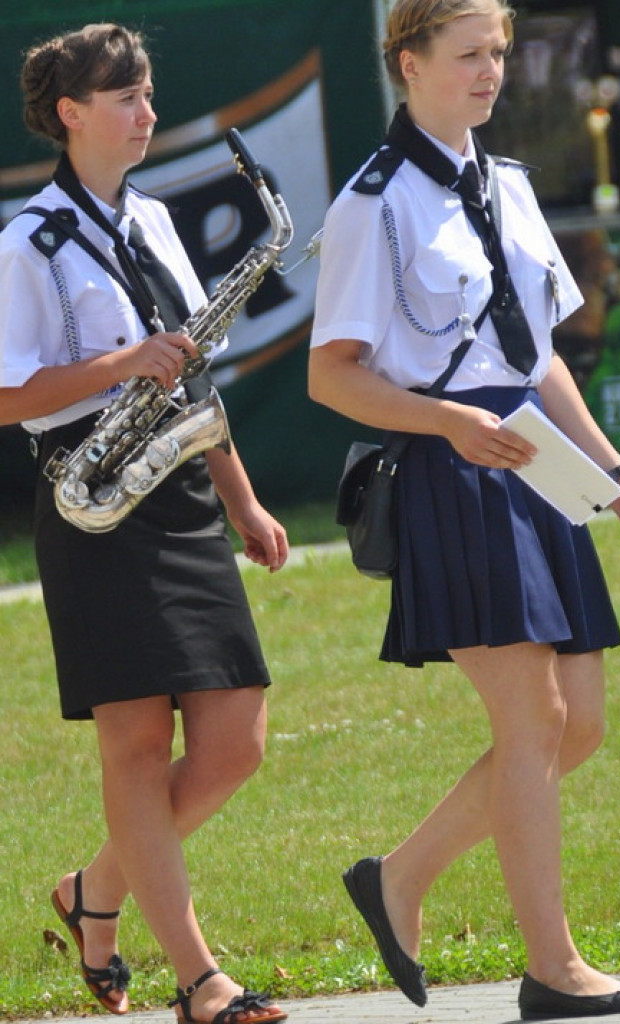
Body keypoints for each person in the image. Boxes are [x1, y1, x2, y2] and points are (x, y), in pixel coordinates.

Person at [308, 1, 620, 1019]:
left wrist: (613, 471)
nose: (491, 72)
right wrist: (446, 425)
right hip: (451, 467)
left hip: (540, 463)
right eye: (468, 54)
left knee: (580, 724)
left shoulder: (506, 186)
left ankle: (399, 876)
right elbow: (332, 376)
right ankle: (555, 970)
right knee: (534, 719)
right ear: (407, 62)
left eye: (500, 53)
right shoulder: (369, 204)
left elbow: (540, 354)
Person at [0, 23, 289, 1024]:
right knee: (132, 746)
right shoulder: (25, 242)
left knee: (237, 739)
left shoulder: (157, 221)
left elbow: (191, 365)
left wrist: (244, 497)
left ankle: (94, 890)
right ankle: (202, 978)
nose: (148, 112)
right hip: (89, 499)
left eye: (151, 93)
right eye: (126, 97)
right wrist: (121, 367)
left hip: (178, 490)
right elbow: (4, 393)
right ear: (70, 113)